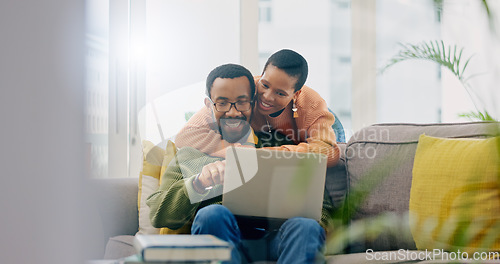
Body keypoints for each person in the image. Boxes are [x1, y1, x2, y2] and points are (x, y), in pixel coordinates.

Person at [147, 64, 333, 263]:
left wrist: (296, 210)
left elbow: (323, 209)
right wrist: (198, 183)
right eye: (222, 103)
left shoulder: (282, 144)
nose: (233, 113)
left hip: (276, 239)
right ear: (209, 106)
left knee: (306, 227)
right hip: (222, 236)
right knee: (211, 214)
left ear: (253, 104)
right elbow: (159, 214)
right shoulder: (190, 155)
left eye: (241, 103)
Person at [175, 49, 340, 167]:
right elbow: (186, 135)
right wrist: (236, 152)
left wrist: (262, 155)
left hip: (315, 124)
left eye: (280, 93)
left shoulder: (311, 104)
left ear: (295, 94)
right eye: (265, 84)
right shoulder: (245, 90)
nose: (267, 97)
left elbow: (329, 152)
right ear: (261, 76)